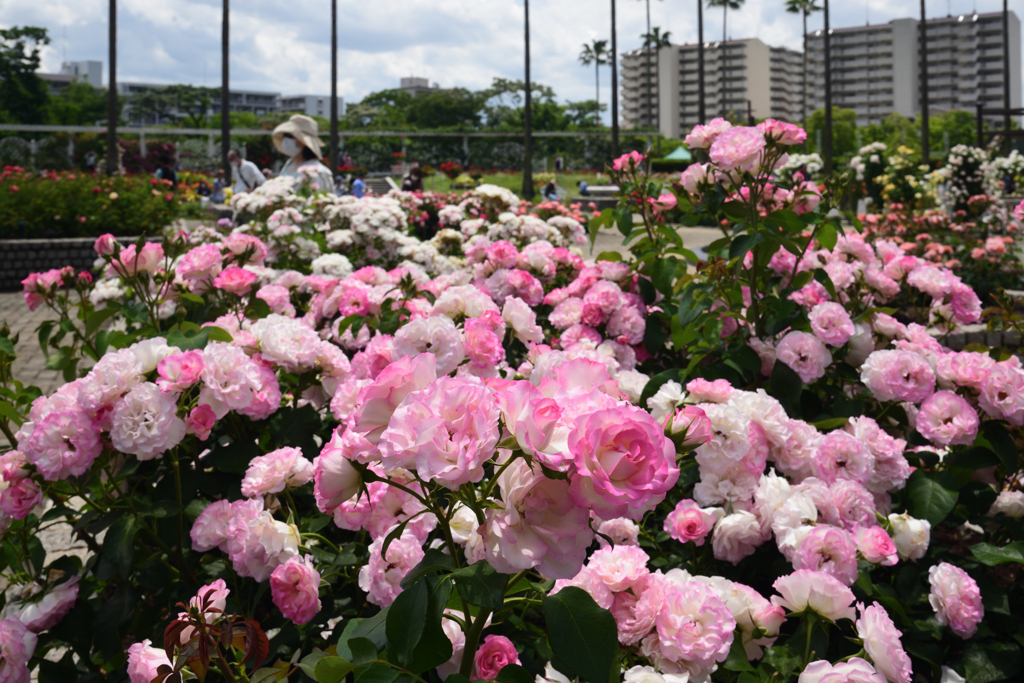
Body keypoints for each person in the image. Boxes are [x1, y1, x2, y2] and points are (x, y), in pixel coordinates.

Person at [272, 114, 334, 191]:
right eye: (285, 136)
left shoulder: (317, 172)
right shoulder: (289, 164)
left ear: (303, 142)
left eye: (290, 136)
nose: (285, 140)